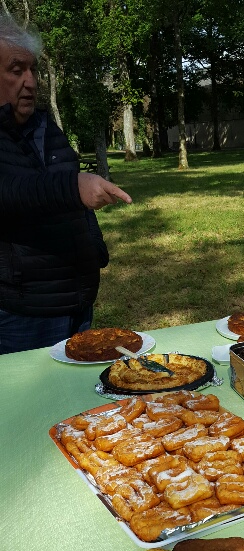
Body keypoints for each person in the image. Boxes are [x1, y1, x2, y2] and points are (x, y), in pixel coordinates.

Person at [0, 15, 132, 354]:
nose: (30, 82)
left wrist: (95, 250)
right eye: (17, 70)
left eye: (33, 70)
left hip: (77, 301)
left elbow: (77, 208)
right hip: (23, 312)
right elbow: (13, 191)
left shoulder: (48, 129)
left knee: (74, 401)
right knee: (30, 405)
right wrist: (73, 187)